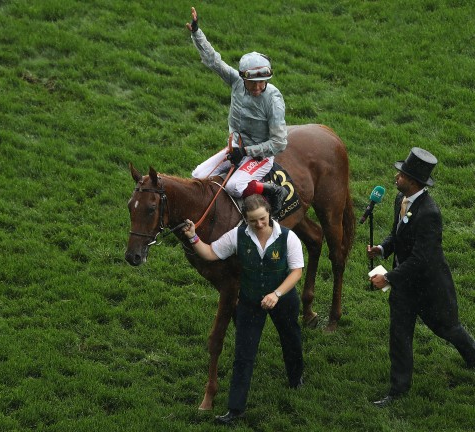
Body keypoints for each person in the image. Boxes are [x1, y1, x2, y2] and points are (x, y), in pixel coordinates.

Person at [367, 147, 475, 408]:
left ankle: (473, 351)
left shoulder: (429, 213)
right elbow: (398, 234)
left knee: (446, 328)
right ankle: (398, 390)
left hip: (429, 287)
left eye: (401, 175)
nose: (396, 177)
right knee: (399, 335)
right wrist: (383, 249)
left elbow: (422, 259)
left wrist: (388, 278)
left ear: (414, 181)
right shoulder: (402, 199)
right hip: (404, 287)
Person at [183, 194, 305, 425]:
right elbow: (210, 253)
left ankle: (295, 378)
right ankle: (235, 409)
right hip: (249, 301)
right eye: (252, 221)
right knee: (243, 355)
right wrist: (193, 237)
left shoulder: (289, 238)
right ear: (246, 220)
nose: (259, 225)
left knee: (291, 340)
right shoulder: (237, 236)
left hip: (283, 298)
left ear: (269, 213)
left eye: (262, 219)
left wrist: (276, 294)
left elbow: (296, 271)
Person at [184, 7, 290, 218]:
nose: (258, 87)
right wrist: (196, 32)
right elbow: (213, 61)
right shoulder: (235, 81)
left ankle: (273, 190)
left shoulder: (274, 100)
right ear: (243, 78)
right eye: (253, 82)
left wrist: (248, 152)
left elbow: (279, 143)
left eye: (263, 82)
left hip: (260, 155)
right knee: (198, 176)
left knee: (233, 186)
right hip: (235, 148)